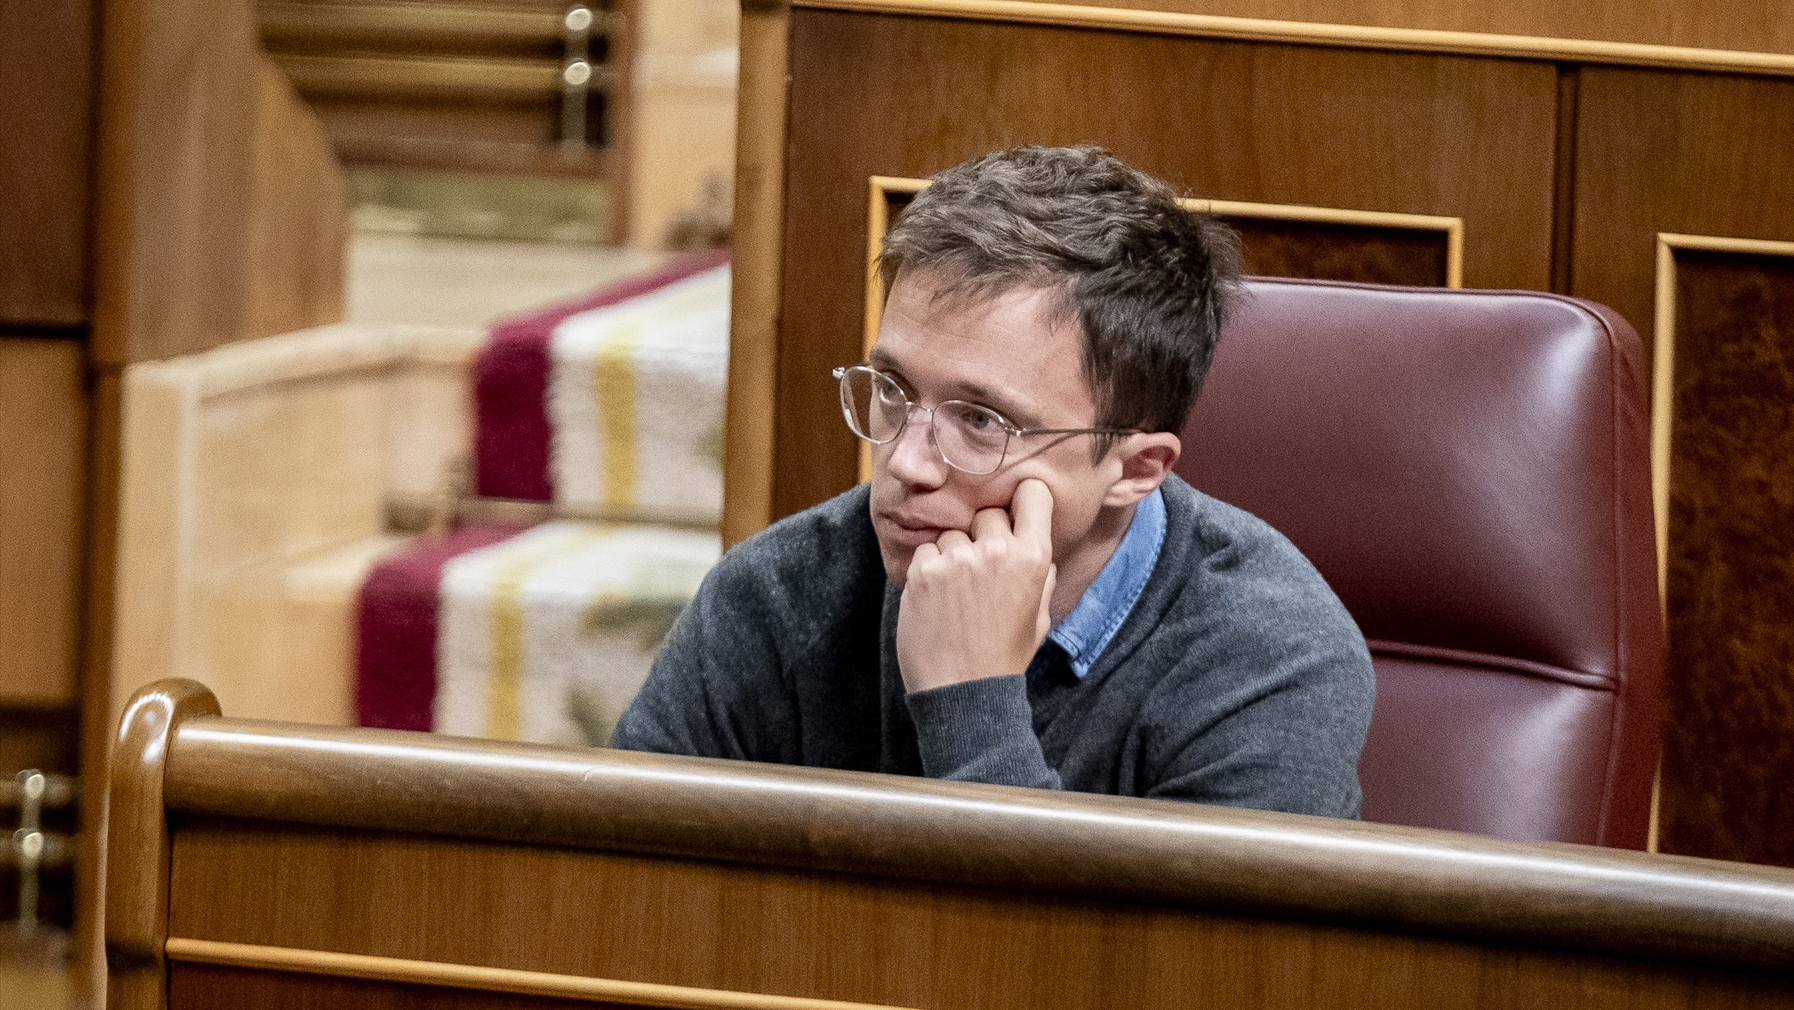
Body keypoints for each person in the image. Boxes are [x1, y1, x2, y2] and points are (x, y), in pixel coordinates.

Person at [613, 145, 1374, 817]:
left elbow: (1167, 982)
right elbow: (622, 898)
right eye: (893, 389)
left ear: (1134, 470)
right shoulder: (779, 597)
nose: (907, 463)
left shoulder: (1274, 665)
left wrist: (971, 705)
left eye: (981, 422)